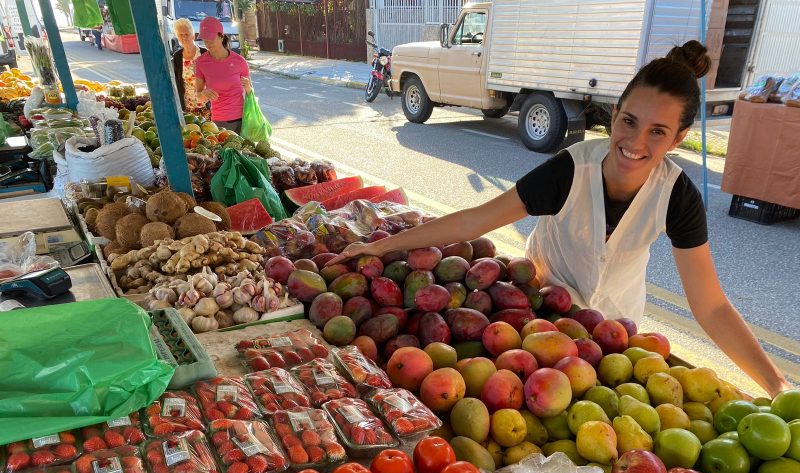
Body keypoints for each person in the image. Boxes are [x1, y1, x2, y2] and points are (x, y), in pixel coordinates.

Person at [333, 41, 791, 398]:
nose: (635, 142)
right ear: (615, 114)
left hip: (613, 333)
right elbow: (475, 221)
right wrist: (378, 246)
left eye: (658, 131)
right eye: (629, 121)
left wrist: (777, 386)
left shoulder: (678, 196)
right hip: (540, 319)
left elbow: (710, 305)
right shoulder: (572, 169)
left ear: (679, 138)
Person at [194, 16, 251, 134]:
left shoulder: (239, 61)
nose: (207, 43)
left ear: (221, 36)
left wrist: (248, 87)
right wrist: (204, 93)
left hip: (242, 120)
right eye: (205, 39)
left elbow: (250, 92)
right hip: (218, 123)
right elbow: (199, 95)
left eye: (210, 38)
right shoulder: (200, 62)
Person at [171, 18, 207, 112]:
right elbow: (177, 81)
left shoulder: (205, 54)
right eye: (180, 35)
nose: (184, 37)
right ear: (178, 38)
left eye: (186, 34)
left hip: (206, 106)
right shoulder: (177, 56)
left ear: (193, 36)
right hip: (187, 107)